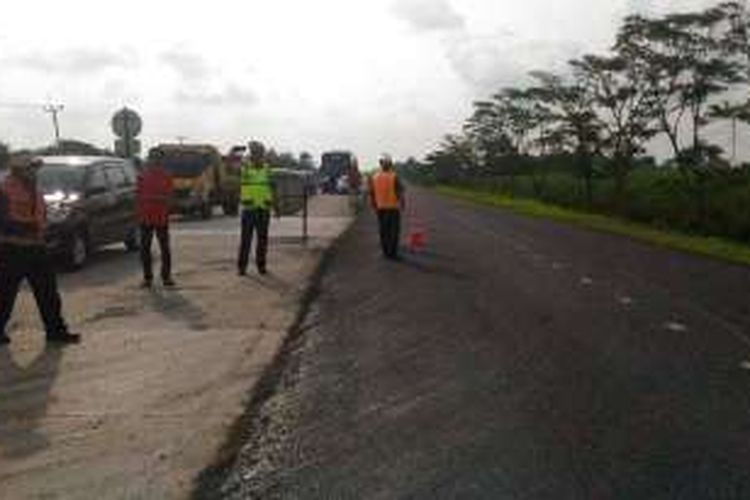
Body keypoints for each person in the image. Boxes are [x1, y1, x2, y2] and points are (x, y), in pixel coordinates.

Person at [0, 155, 80, 344]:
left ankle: (56, 332)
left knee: (48, 293)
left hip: (36, 247)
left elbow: (40, 216)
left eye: (35, 168)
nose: (35, 171)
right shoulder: (4, 190)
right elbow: (3, 223)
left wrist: (44, 229)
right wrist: (29, 228)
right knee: (5, 294)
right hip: (12, 249)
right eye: (31, 168)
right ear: (19, 171)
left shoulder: (33, 188)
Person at [237, 140, 279, 276]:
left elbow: (273, 188)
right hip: (249, 209)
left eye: (260, 153)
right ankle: (242, 267)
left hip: (263, 209)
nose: (258, 156)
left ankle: (261, 266)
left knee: (262, 240)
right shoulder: (245, 168)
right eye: (255, 153)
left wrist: (276, 207)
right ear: (252, 154)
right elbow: (235, 171)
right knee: (246, 240)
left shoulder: (267, 169)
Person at [137, 148, 175, 288]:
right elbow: (138, 196)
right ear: (149, 159)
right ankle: (147, 278)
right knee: (145, 249)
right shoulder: (142, 176)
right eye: (152, 158)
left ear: (161, 160)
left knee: (164, 249)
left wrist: (153, 199)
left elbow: (169, 197)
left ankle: (166, 277)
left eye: (158, 158)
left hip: (161, 218)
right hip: (146, 218)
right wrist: (157, 199)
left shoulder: (166, 176)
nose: (155, 161)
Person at [369, 154, 405, 260]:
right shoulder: (394, 176)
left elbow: (372, 193)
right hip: (393, 207)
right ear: (390, 165)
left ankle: (385, 252)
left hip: (380, 208)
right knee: (393, 231)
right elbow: (400, 191)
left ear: (381, 165)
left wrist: (373, 204)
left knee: (383, 230)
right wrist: (402, 203)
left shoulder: (374, 177)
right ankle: (392, 253)